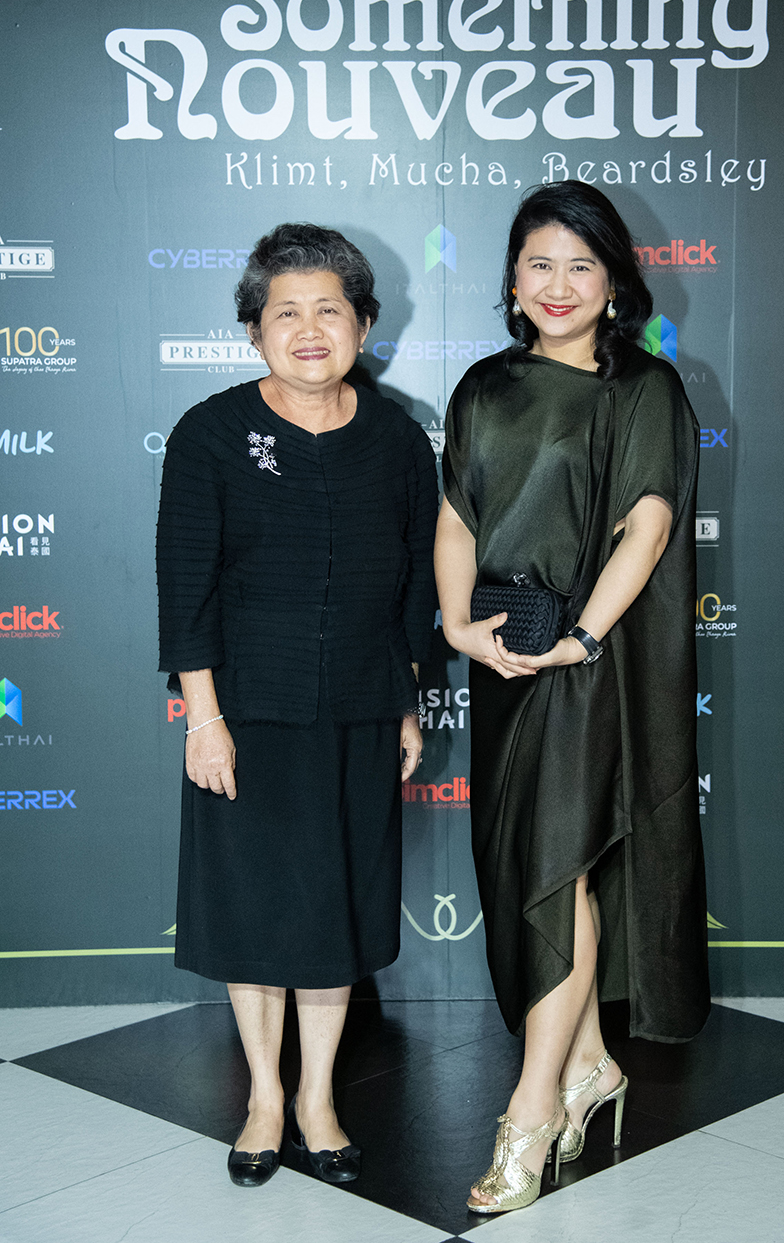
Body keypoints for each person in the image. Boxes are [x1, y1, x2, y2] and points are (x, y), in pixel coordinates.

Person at [434, 181, 709, 1213]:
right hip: (503, 658)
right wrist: (457, 626)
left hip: (592, 664)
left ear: (614, 283)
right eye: (538, 264)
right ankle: (591, 1064)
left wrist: (583, 637)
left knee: (555, 873)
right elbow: (458, 515)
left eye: (580, 266)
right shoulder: (482, 387)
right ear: (512, 279)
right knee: (531, 872)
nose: (558, 285)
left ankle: (533, 1110)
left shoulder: (643, 389)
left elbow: (648, 525)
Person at [156, 223, 437, 1188]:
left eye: (330, 309)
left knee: (335, 911)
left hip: (359, 708)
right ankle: (265, 1099)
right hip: (247, 714)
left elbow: (412, 586)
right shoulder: (209, 434)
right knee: (256, 911)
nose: (310, 330)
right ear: (253, 330)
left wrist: (406, 704)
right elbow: (186, 587)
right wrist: (204, 719)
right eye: (286, 313)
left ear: (364, 323)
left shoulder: (398, 439)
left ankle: (317, 1097)